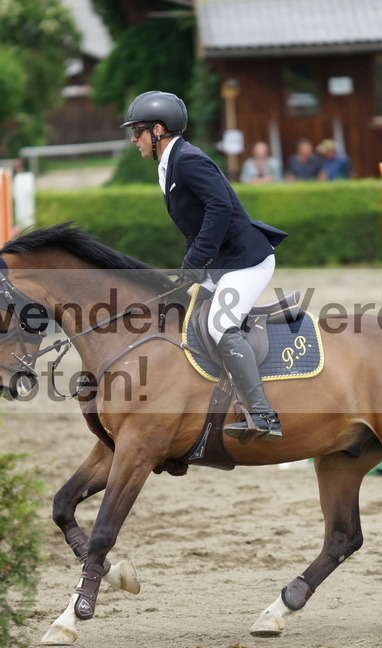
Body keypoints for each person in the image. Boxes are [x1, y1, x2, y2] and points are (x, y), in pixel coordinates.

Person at [120, 90, 287, 441]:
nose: (134, 139)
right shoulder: (170, 164)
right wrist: (189, 268)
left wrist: (195, 263)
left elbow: (220, 209)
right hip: (222, 262)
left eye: (138, 131)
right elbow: (195, 225)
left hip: (246, 261)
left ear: (159, 129)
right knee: (182, 316)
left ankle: (262, 415)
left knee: (219, 324)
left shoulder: (189, 160)